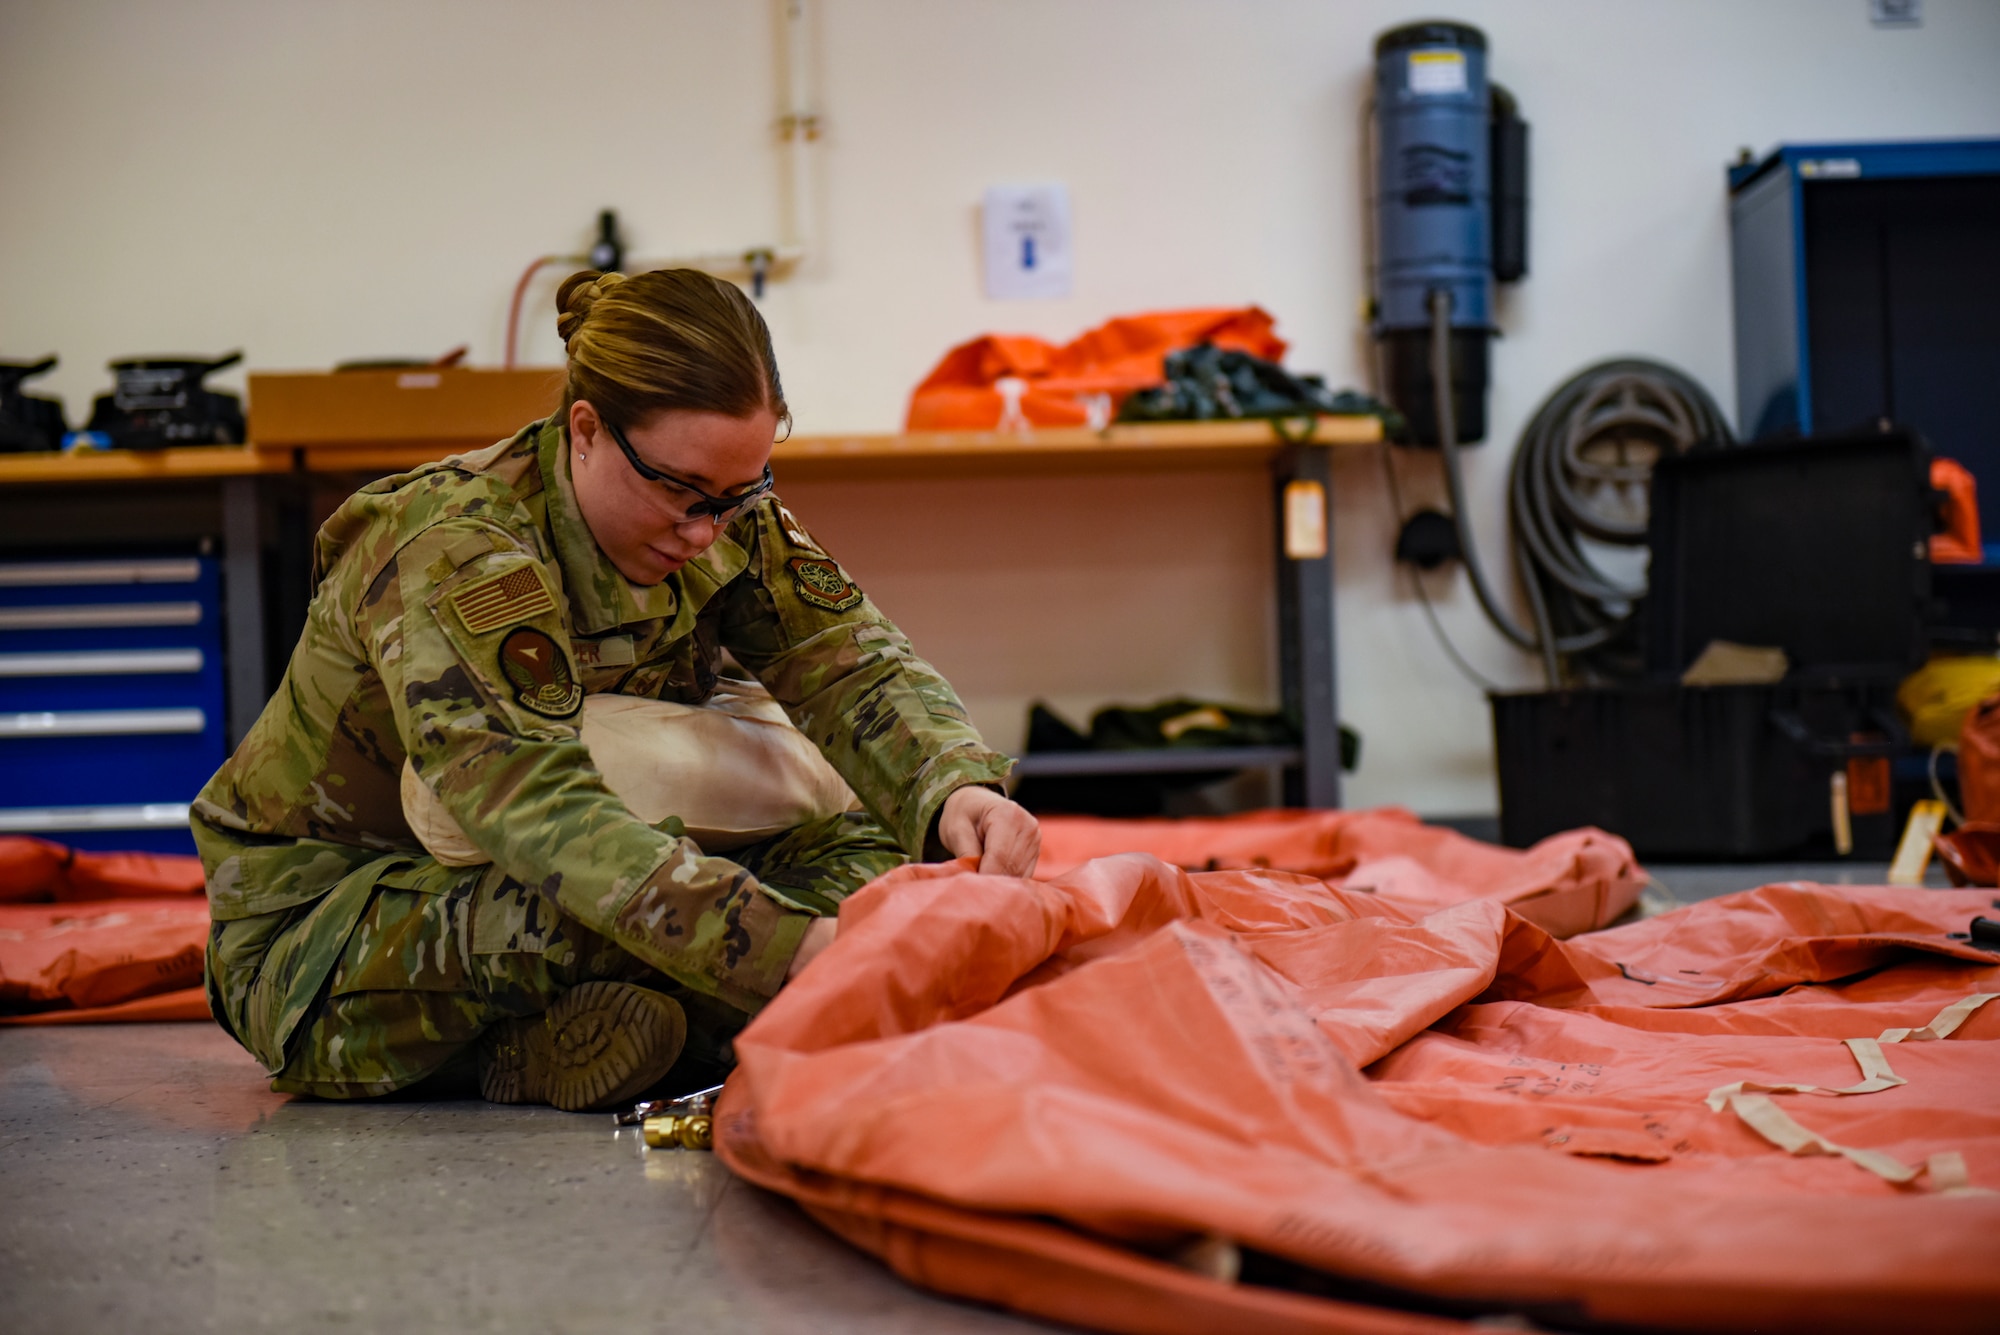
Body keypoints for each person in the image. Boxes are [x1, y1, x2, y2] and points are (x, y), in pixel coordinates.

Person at [193, 268, 1039, 1110]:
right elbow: (540, 811)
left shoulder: (714, 510)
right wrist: (786, 946)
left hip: (553, 868)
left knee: (882, 873)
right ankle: (598, 1030)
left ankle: (591, 1034)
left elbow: (850, 662)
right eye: (677, 491)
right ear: (586, 429)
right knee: (603, 912)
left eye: (740, 493)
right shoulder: (456, 547)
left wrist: (952, 790)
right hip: (327, 937)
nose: (704, 528)